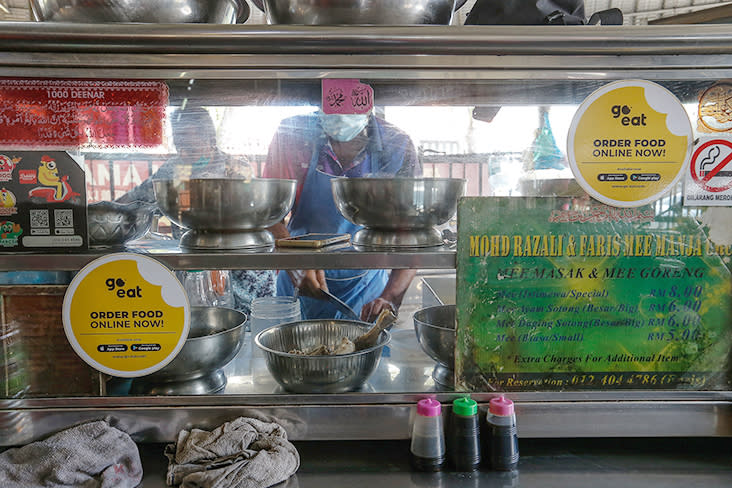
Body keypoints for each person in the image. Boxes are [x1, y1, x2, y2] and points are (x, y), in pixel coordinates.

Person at [263, 110, 421, 322]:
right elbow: (268, 214)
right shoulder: (293, 135)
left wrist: (391, 297)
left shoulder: (396, 145)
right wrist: (294, 258)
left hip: (366, 293)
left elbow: (412, 233)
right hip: (299, 284)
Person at [117, 105, 275, 315]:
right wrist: (105, 211)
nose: (184, 153)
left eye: (190, 147)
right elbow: (133, 200)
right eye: (179, 145)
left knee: (247, 329)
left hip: (242, 273)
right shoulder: (173, 170)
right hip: (197, 274)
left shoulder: (235, 169)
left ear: (210, 138)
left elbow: (256, 217)